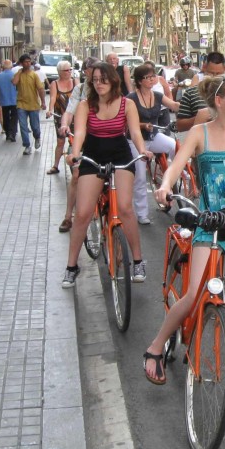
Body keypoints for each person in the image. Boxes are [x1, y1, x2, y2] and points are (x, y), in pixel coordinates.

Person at [144, 73, 225, 385]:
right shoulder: (200, 133)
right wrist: (164, 185)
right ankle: (155, 347)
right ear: (219, 101)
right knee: (195, 292)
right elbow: (176, 166)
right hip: (210, 219)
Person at [64, 61, 152, 288]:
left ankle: (138, 260)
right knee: (82, 213)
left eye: (103, 80)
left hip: (121, 154)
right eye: (95, 80)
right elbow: (81, 132)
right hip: (93, 155)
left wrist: (142, 151)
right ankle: (71, 266)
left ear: (113, 80)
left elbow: (134, 132)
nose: (99, 84)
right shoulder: (86, 105)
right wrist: (74, 155)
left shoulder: (126, 104)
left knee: (125, 208)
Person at [126, 63, 180, 224]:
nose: (152, 80)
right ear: (139, 81)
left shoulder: (157, 95)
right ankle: (142, 213)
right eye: (148, 77)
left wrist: (191, 107)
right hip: (135, 141)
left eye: (153, 76)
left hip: (154, 136)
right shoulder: (131, 99)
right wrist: (142, 125)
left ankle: (175, 173)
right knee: (140, 177)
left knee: (174, 145)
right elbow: (128, 124)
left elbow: (174, 105)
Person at [58, 57, 96, 233]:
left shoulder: (108, 88)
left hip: (102, 138)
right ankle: (68, 216)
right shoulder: (80, 89)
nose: (95, 73)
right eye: (91, 69)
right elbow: (69, 111)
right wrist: (65, 125)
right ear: (86, 72)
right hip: (83, 139)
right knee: (76, 175)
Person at [175, 51, 225, 132]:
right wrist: (200, 118)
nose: (215, 77)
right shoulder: (191, 93)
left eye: (219, 74)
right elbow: (180, 126)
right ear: (205, 69)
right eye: (211, 73)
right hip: (202, 142)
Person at [46, 60, 78, 174]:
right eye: (66, 70)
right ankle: (55, 166)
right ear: (59, 72)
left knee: (76, 141)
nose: (69, 72)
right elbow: (53, 98)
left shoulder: (75, 82)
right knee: (60, 142)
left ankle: (78, 165)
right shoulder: (54, 84)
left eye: (70, 69)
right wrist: (50, 109)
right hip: (60, 117)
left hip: (75, 117)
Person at [12, 54, 46, 155]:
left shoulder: (34, 75)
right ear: (22, 63)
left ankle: (37, 137)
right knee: (23, 126)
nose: (28, 63)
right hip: (21, 104)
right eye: (25, 62)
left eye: (29, 61)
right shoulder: (19, 74)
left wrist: (43, 102)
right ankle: (27, 145)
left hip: (33, 104)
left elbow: (40, 89)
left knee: (35, 126)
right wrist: (19, 72)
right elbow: (14, 82)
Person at [0, 60, 18, 142]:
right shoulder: (15, 75)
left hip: (4, 100)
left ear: (3, 67)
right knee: (14, 117)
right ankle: (13, 133)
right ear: (11, 67)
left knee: (5, 117)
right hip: (14, 100)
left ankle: (8, 133)